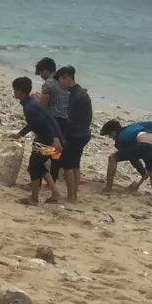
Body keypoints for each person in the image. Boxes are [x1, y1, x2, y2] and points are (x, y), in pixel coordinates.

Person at [12, 76, 64, 204]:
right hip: (47, 138)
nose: (14, 92)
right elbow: (34, 123)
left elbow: (45, 123)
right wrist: (20, 134)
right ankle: (55, 193)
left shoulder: (29, 107)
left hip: (49, 141)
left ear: (20, 91)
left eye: (15, 90)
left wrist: (55, 139)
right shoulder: (31, 103)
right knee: (38, 164)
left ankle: (34, 198)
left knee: (34, 166)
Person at [101, 118, 152, 202]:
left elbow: (132, 158)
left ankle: (108, 188)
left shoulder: (120, 139)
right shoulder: (137, 126)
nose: (111, 138)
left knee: (112, 158)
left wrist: (142, 172)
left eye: (110, 136)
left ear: (113, 133)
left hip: (143, 146)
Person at [53, 66, 92, 203]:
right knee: (75, 164)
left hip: (76, 134)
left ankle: (71, 196)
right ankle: (74, 195)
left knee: (67, 165)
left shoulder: (76, 96)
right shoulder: (80, 93)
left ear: (67, 78)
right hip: (84, 133)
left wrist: (63, 137)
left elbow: (72, 120)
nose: (59, 84)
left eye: (60, 81)